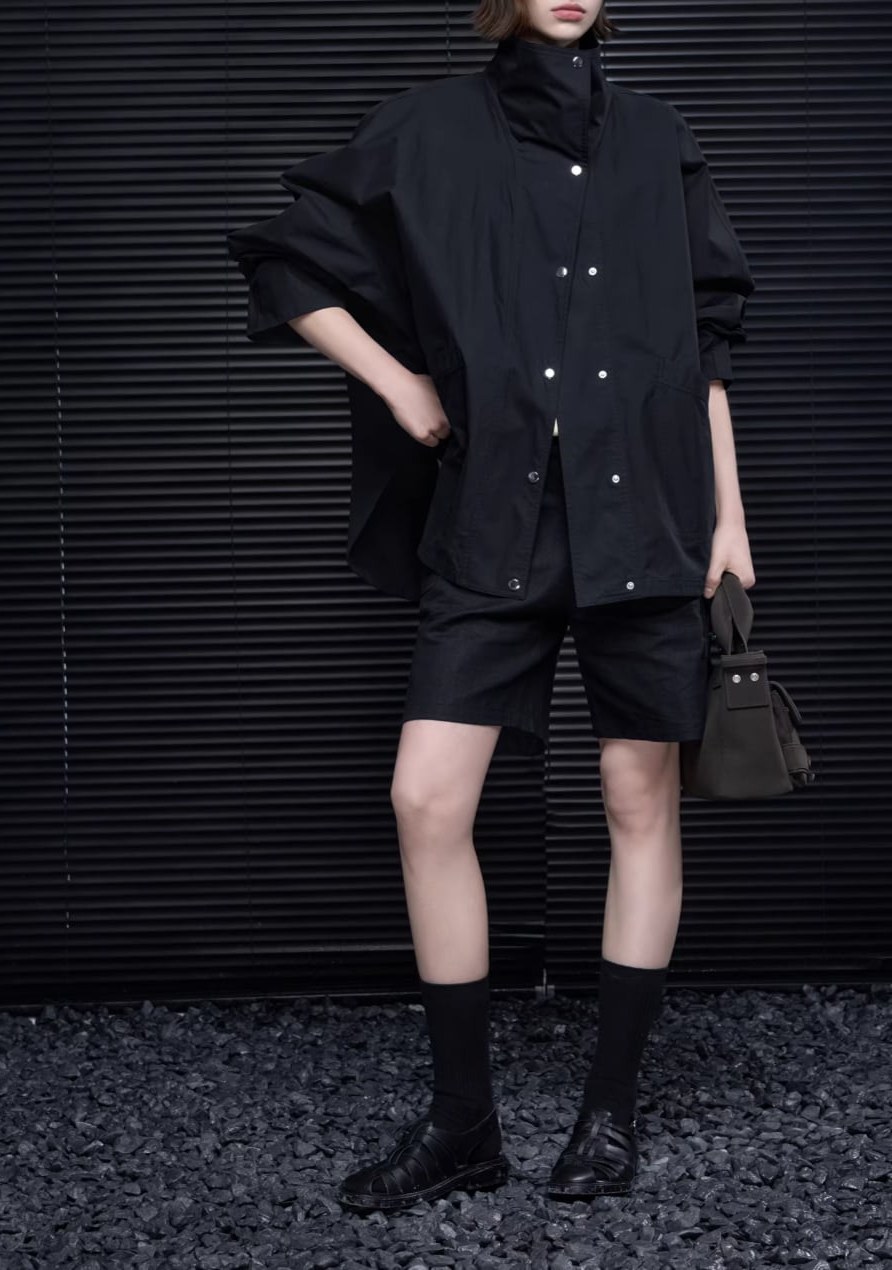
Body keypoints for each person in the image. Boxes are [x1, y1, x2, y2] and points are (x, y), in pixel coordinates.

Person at [227, 0, 757, 1212]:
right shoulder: (426, 130)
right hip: (494, 517)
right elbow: (287, 255)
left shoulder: (659, 138)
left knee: (637, 797)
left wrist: (729, 519)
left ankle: (607, 1116)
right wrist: (399, 383)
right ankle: (463, 1123)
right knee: (426, 795)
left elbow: (704, 346)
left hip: (648, 513)